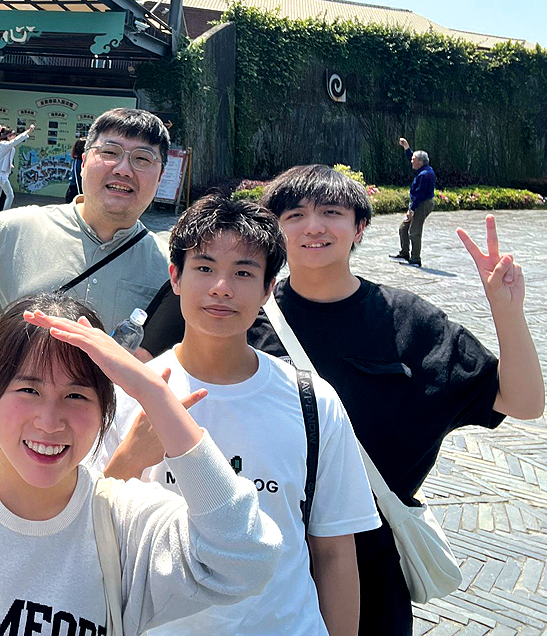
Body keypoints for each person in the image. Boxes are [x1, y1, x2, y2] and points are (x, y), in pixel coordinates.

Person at [246, 164, 543, 635]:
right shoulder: (247, 320)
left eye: (331, 212)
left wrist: (507, 312)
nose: (313, 226)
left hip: (373, 566)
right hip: (266, 556)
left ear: (360, 226)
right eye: (295, 215)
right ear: (275, 230)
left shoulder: (411, 323)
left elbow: (522, 402)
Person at [99, 194, 380, 636]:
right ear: (175, 277)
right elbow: (93, 529)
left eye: (244, 273)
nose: (221, 287)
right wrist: (132, 457)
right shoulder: (131, 393)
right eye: (204, 268)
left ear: (268, 290)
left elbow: (334, 551)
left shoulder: (312, 401)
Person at [0, 292, 282, 635]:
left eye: (76, 396)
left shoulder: (124, 524)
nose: (49, 422)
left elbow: (248, 558)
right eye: (29, 391)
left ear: (104, 409)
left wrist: (154, 395)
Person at [0, 108, 171, 335]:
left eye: (142, 159)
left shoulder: (170, 273)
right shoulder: (12, 232)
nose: (123, 170)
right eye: (110, 152)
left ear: (160, 176)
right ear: (83, 163)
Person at [390, 137, 436, 267]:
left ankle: (416, 259)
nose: (411, 161)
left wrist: (411, 209)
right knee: (403, 228)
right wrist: (407, 148)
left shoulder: (425, 175)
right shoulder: (423, 169)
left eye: (413, 160)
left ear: (420, 162)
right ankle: (404, 253)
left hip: (422, 204)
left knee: (414, 231)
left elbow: (419, 196)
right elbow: (413, 157)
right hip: (419, 202)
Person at [0, 124, 34, 217]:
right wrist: (28, 131)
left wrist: (10, 165)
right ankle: (4, 215)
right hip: (1, 174)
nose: (14, 136)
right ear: (8, 136)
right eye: (12, 135)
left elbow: (1, 158)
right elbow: (16, 141)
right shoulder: (4, 144)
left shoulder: (8, 146)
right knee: (10, 195)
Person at [65, 137, 87, 203]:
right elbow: (78, 179)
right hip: (75, 190)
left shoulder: (76, 160)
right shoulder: (79, 162)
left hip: (73, 189)